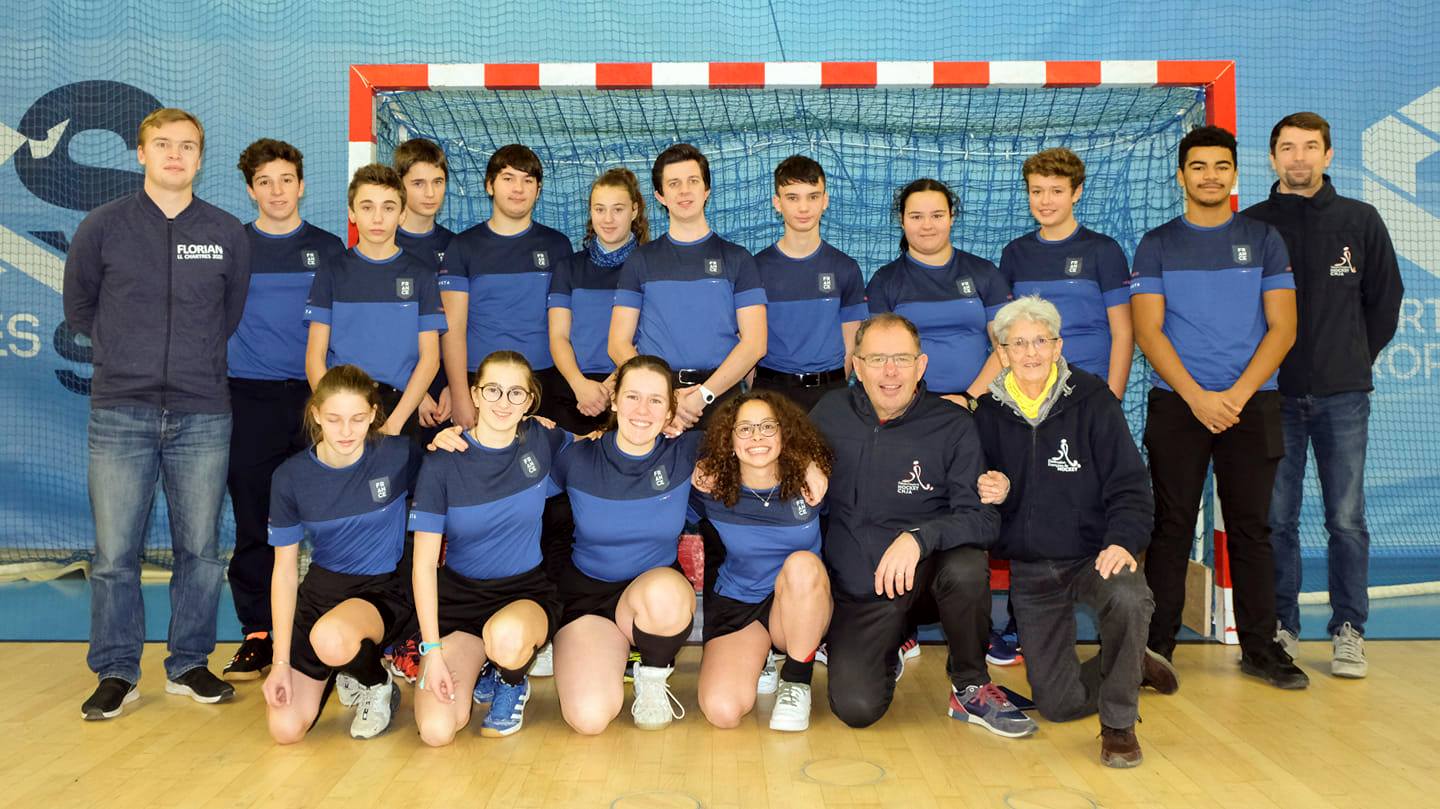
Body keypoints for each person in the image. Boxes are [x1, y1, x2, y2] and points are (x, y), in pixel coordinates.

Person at [65, 108, 250, 720]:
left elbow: (228, 314)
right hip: (121, 411)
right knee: (115, 553)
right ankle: (116, 670)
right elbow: (81, 307)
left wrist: (188, 365)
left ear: (201, 159)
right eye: (163, 145)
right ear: (140, 153)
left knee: (200, 549)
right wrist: (129, 357)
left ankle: (189, 662)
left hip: (202, 413)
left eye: (188, 146)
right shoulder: (103, 227)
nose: (175, 155)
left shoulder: (225, 231)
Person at [1131, 125, 1307, 689]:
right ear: (1181, 176)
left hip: (1250, 405)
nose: (1211, 176)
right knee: (1171, 525)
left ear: (1235, 174)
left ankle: (1259, 647)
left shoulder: (1263, 239)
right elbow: (1149, 332)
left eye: (1221, 166)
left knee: (1253, 529)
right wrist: (1198, 397)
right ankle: (1156, 648)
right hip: (1179, 404)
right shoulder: (1157, 243)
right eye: (1199, 166)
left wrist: (1234, 396)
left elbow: (1283, 328)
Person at [972, 295, 1177, 768]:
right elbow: (970, 493)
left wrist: (1122, 541)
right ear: (1001, 352)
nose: (1030, 353)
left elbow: (1131, 486)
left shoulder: (1093, 399)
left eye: (1040, 341)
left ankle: (1119, 726)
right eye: (1017, 343)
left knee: (1129, 597)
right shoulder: (985, 414)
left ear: (1058, 345)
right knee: (1059, 705)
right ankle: (1132, 663)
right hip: (1032, 566)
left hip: (1093, 554)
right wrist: (993, 490)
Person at [810, 313, 1035, 737]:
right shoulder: (828, 414)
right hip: (859, 592)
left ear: (921, 365)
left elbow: (984, 520)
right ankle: (890, 639)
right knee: (857, 709)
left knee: (967, 565)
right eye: (877, 359)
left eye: (901, 358)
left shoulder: (951, 425)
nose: (890, 371)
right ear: (856, 366)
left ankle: (970, 686)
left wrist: (919, 538)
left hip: (925, 579)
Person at [1244, 112, 1404, 679]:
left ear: (1329, 155)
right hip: (1272, 398)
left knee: (1346, 519)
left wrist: (1353, 359)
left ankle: (1349, 629)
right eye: (1287, 148)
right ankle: (1281, 624)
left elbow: (1384, 300)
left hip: (1343, 396)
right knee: (1276, 518)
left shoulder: (1360, 221)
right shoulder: (1252, 226)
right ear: (1272, 157)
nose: (1299, 158)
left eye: (1310, 147)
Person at [223, 138, 345, 682]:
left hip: (317, 398)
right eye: (265, 182)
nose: (277, 191)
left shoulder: (330, 247)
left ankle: (330, 631)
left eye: (286, 180)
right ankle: (257, 632)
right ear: (250, 190)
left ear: (302, 185)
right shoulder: (232, 246)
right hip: (247, 398)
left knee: (332, 518)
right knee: (256, 519)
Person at [408, 351, 568, 744]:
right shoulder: (443, 460)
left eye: (516, 393)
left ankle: (511, 678)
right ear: (475, 394)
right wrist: (432, 650)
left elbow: (597, 446)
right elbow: (424, 566)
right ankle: (484, 665)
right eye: (493, 390)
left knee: (508, 638)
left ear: (530, 402)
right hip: (460, 602)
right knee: (437, 730)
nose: (503, 402)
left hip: (524, 594)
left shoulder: (542, 438)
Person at [262, 365, 421, 742]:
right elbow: (284, 573)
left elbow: (451, 482)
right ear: (316, 414)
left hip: (381, 591)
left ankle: (376, 682)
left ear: (373, 415)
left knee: (332, 639)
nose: (346, 431)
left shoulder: (397, 455)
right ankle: (346, 665)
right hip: (321, 593)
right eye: (333, 419)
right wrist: (280, 662)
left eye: (357, 419)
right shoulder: (290, 477)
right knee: (285, 729)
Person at [550, 355, 702, 733]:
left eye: (655, 400)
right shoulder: (576, 457)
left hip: (653, 597)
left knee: (667, 593)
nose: (642, 410)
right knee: (589, 718)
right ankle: (614, 652)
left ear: (670, 411)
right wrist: (450, 439)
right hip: (589, 599)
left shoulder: (685, 452)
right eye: (633, 396)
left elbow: (764, 435)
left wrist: (813, 464)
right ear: (614, 399)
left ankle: (652, 672)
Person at [691, 391, 832, 732]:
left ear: (785, 433)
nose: (757, 437)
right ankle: (760, 658)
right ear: (730, 438)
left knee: (801, 563)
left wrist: (810, 463)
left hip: (798, 605)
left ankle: (796, 680)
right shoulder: (711, 488)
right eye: (745, 429)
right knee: (722, 711)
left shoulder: (810, 485)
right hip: (740, 601)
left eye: (768, 427)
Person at [608, 143, 768, 433]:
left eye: (693, 181)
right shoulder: (640, 260)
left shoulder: (737, 259)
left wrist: (703, 395)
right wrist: (664, 395)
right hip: (656, 404)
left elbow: (755, 343)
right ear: (660, 195)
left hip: (721, 398)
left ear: (706, 190)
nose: (684, 191)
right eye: (674, 183)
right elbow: (618, 343)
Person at [303, 163, 445, 438]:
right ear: (352, 213)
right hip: (345, 408)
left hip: (401, 409)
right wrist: (333, 414)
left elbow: (430, 359)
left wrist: (395, 423)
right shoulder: (331, 271)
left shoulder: (422, 275)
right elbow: (314, 357)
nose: (378, 218)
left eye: (388, 208)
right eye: (367, 207)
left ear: (402, 214)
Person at [439, 145, 573, 430]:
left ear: (538, 190)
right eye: (508, 178)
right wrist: (461, 393)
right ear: (489, 185)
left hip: (543, 381)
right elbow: (452, 328)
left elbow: (565, 324)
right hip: (482, 382)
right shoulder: (463, 247)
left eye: (528, 180)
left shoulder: (558, 245)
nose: (518, 188)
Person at [998, 148, 1133, 400]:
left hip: (1091, 390)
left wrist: (1112, 398)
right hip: (1030, 394)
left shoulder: (1103, 250)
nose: (1045, 201)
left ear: (1077, 192)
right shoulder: (1014, 253)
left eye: (1056, 191)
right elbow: (1005, 333)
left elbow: (1123, 332)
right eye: (1037, 191)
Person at [866, 178, 1011, 405]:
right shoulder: (884, 281)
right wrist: (909, 403)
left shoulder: (984, 273)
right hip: (909, 408)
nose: (927, 226)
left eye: (937, 215)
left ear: (951, 217)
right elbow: (878, 357)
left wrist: (970, 398)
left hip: (978, 403)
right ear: (901, 220)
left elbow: (1006, 347)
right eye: (916, 216)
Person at [750, 155, 866, 412]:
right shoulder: (754, 269)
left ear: (825, 201)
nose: (804, 208)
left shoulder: (845, 268)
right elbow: (746, 340)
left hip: (830, 394)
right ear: (777, 203)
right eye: (793, 197)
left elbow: (852, 342)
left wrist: (832, 387)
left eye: (813, 196)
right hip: (771, 392)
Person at [547, 167, 649, 434]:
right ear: (591, 213)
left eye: (618, 209)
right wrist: (580, 385)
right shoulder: (568, 268)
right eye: (599, 209)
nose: (608, 219)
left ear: (635, 210)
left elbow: (653, 337)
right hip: (573, 392)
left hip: (631, 391)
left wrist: (612, 386)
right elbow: (558, 336)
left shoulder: (651, 267)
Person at [392, 138, 456, 434]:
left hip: (449, 389)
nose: (431, 193)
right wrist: (414, 392)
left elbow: (463, 326)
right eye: (418, 183)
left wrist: (458, 386)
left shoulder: (457, 246)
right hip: (396, 386)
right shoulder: (381, 245)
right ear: (400, 185)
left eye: (438, 181)